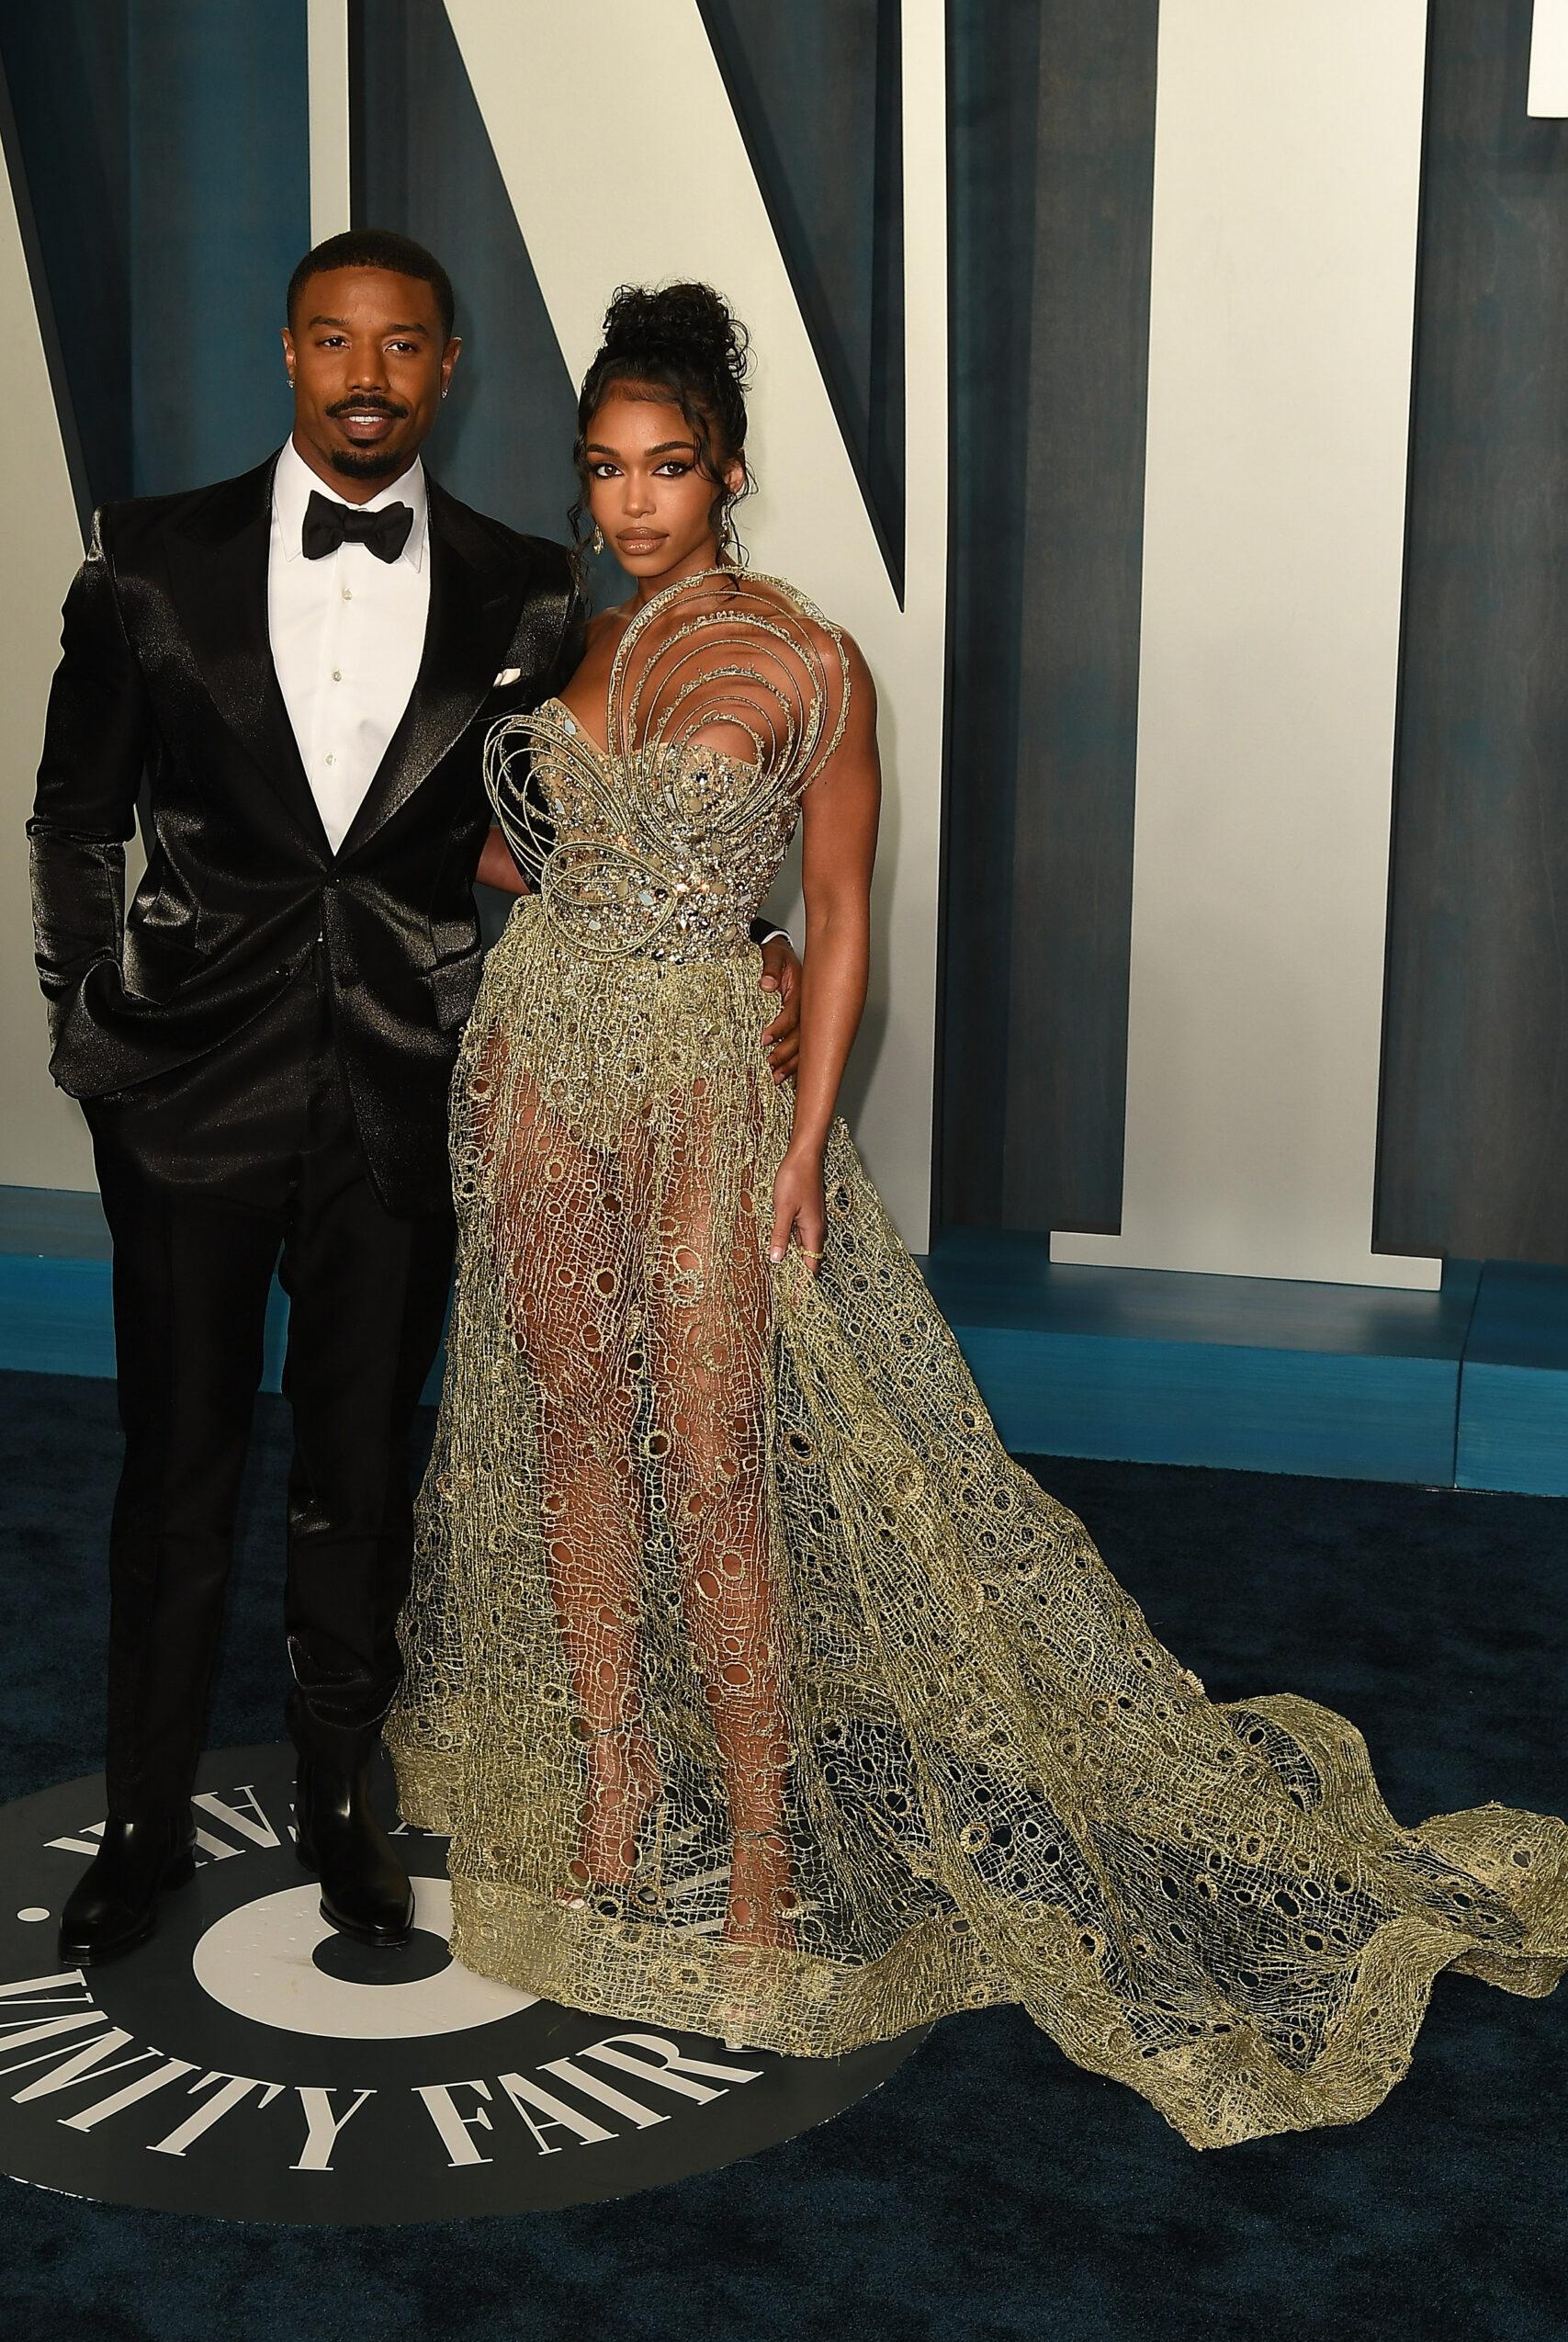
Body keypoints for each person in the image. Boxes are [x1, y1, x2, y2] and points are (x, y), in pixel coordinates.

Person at [388, 283, 1567, 2150]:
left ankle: (765, 1839)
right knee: (566, 1440)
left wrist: (801, 1133)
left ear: (729, 472)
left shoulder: (808, 661)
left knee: (709, 1457)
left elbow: (844, 912)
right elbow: (509, 855)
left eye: (665, 466)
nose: (630, 501)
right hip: (537, 1068)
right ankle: (614, 1790)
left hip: (703, 1090)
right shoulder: (569, 648)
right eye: (604, 469)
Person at [27, 229, 806, 1968]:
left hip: (415, 1083)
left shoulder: (536, 590)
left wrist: (756, 942)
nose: (365, 377)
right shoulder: (144, 565)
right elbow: (72, 817)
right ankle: (144, 1826)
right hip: (185, 1094)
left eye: (400, 349)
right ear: (287, 356)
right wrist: (96, 1035)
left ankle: (340, 1808)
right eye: (332, 343)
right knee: (176, 1466)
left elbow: (589, 824)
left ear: (448, 371)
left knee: (361, 1465)